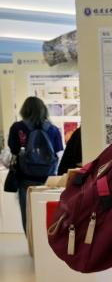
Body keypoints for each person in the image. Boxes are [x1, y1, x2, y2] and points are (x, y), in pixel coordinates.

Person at [6, 96, 63, 232]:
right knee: (48, 216)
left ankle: (31, 242)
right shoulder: (53, 129)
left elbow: (13, 150)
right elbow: (59, 153)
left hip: (25, 180)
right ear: (44, 110)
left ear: (24, 110)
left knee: (28, 217)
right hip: (48, 180)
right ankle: (46, 241)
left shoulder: (17, 127)